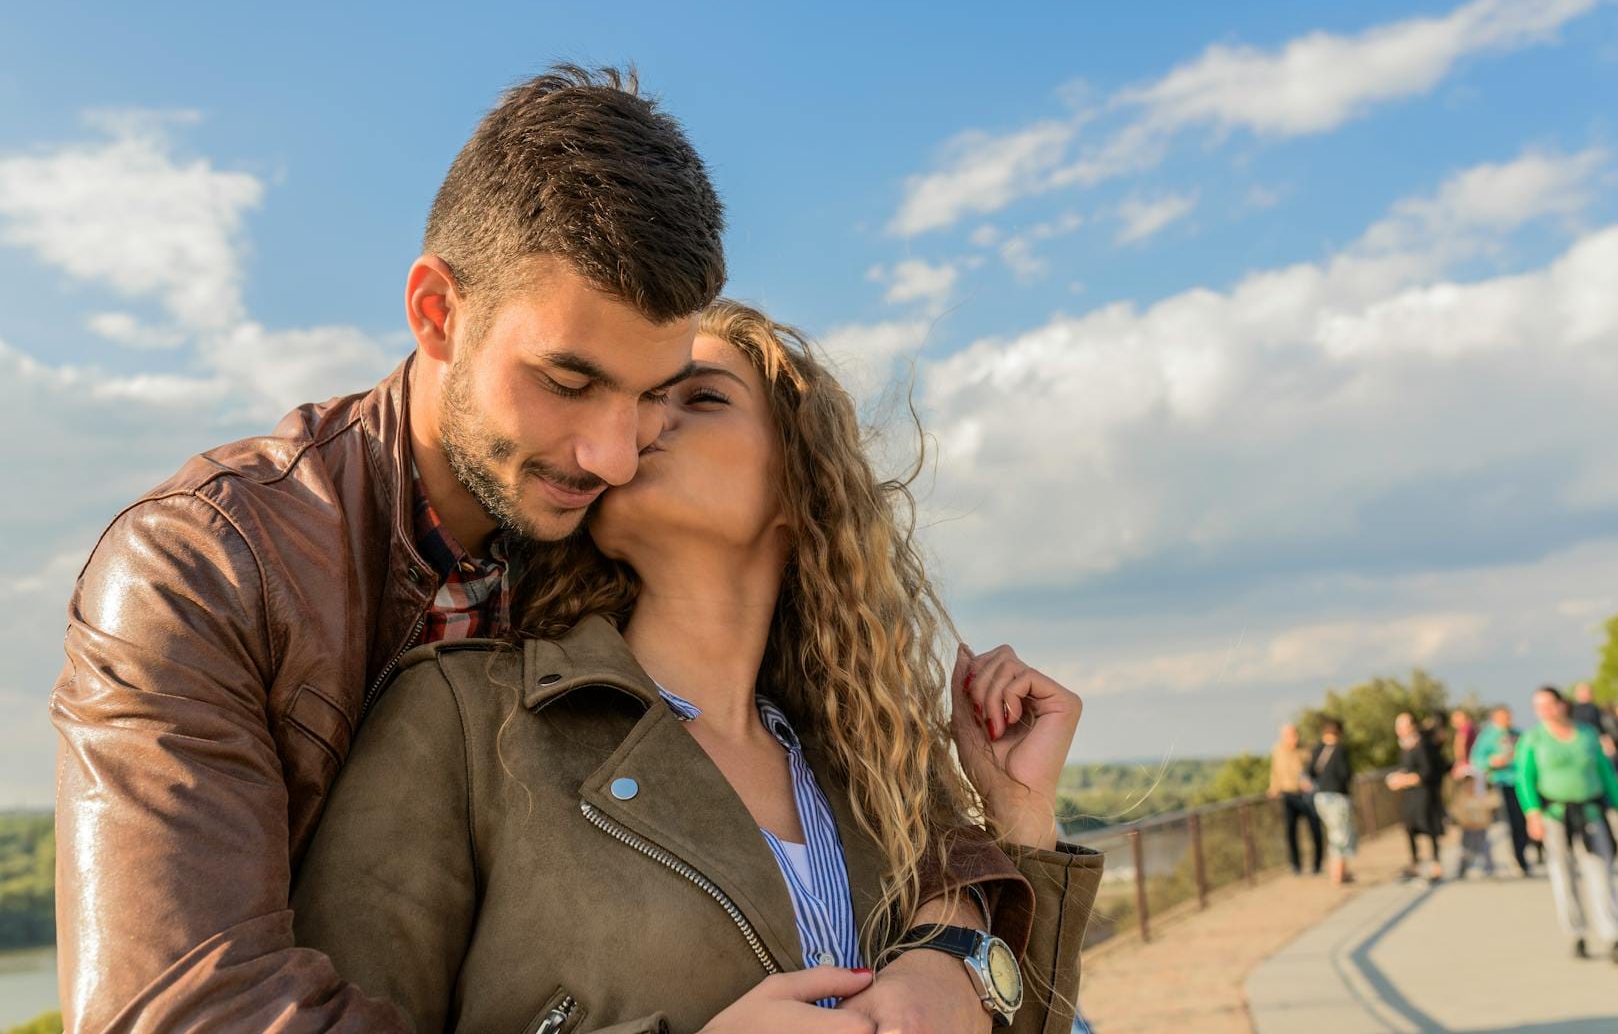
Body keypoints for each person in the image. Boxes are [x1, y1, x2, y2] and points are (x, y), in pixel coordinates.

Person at [50, 68, 1028, 1031]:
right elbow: (182, 1012)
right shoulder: (200, 566)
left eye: (655, 392)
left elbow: (899, 809)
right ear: (437, 312)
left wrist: (958, 941)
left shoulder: (607, 570)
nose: (616, 452)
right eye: (567, 380)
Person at [292, 301, 1103, 1032]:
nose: (642, 425)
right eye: (644, 400)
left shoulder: (872, 775)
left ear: (800, 487)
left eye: (701, 397)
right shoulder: (464, 719)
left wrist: (1020, 816)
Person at [1519, 686, 1618, 961]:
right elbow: (1525, 778)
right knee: (1563, 874)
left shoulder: (1586, 734)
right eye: (1538, 707)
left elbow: (1605, 772)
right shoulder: (1533, 738)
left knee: (1600, 870)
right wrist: (1532, 813)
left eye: (1549, 705)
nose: (1544, 712)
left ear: (1562, 704)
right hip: (1555, 814)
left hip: (1589, 810)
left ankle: (1611, 932)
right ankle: (1577, 933)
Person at [1471, 706, 1535, 875]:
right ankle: (1514, 858)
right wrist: (1492, 762)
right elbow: (1476, 759)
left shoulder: (1518, 734)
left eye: (1509, 716)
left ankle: (1523, 855)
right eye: (1503, 716)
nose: (1507, 720)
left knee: (1522, 821)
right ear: (1495, 718)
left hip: (1520, 782)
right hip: (1501, 783)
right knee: (1510, 822)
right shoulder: (1487, 736)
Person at [1388, 713, 1445, 884]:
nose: (1399, 730)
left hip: (1424, 794)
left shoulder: (1422, 745)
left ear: (1412, 726)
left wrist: (1404, 780)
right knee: (1410, 828)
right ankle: (1415, 865)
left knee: (1429, 828)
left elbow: (1427, 772)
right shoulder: (1405, 746)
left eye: (1403, 726)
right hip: (1410, 795)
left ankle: (1436, 866)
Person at [1268, 723, 1323, 875]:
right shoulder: (1277, 751)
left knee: (1315, 829)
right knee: (1290, 831)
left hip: (1306, 795)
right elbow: (1274, 771)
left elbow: (1315, 770)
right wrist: (1274, 787)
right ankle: (1295, 865)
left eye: (1293, 734)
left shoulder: (1306, 749)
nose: (1291, 738)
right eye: (1287, 735)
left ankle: (1318, 864)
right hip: (1288, 794)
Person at [1308, 719, 1356, 885]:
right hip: (1337, 797)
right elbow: (1346, 774)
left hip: (1321, 797)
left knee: (1333, 833)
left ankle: (1338, 872)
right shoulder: (1340, 751)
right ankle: (1338, 874)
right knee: (1341, 835)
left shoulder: (1317, 749)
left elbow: (1310, 772)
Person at [1569, 681, 1618, 762]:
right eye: (1589, 691)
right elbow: (1604, 727)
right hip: (1601, 745)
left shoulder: (1571, 712)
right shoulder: (1592, 709)